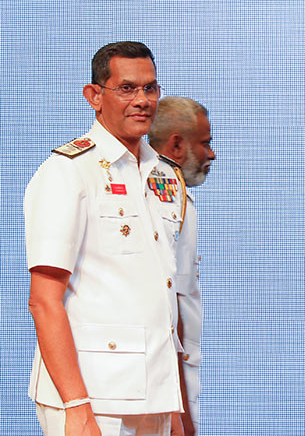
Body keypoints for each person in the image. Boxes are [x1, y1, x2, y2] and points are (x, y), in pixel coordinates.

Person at [25, 41, 187, 436]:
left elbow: (164, 294)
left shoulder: (166, 174)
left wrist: (174, 409)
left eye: (150, 88)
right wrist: (77, 407)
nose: (142, 100)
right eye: (127, 88)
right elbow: (44, 299)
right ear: (94, 96)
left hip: (155, 397)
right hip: (94, 398)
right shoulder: (68, 172)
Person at [148, 96, 216, 436]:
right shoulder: (164, 189)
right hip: (160, 382)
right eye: (205, 143)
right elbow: (165, 304)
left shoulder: (174, 189)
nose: (212, 154)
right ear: (176, 144)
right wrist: (179, 407)